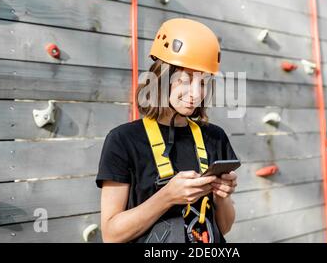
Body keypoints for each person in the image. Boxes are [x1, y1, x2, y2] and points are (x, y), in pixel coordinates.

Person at [96, 18, 239, 243]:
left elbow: (224, 227)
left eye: (202, 83)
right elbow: (111, 235)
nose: (195, 93)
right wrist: (167, 197)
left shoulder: (215, 137)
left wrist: (223, 197)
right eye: (185, 80)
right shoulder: (123, 140)